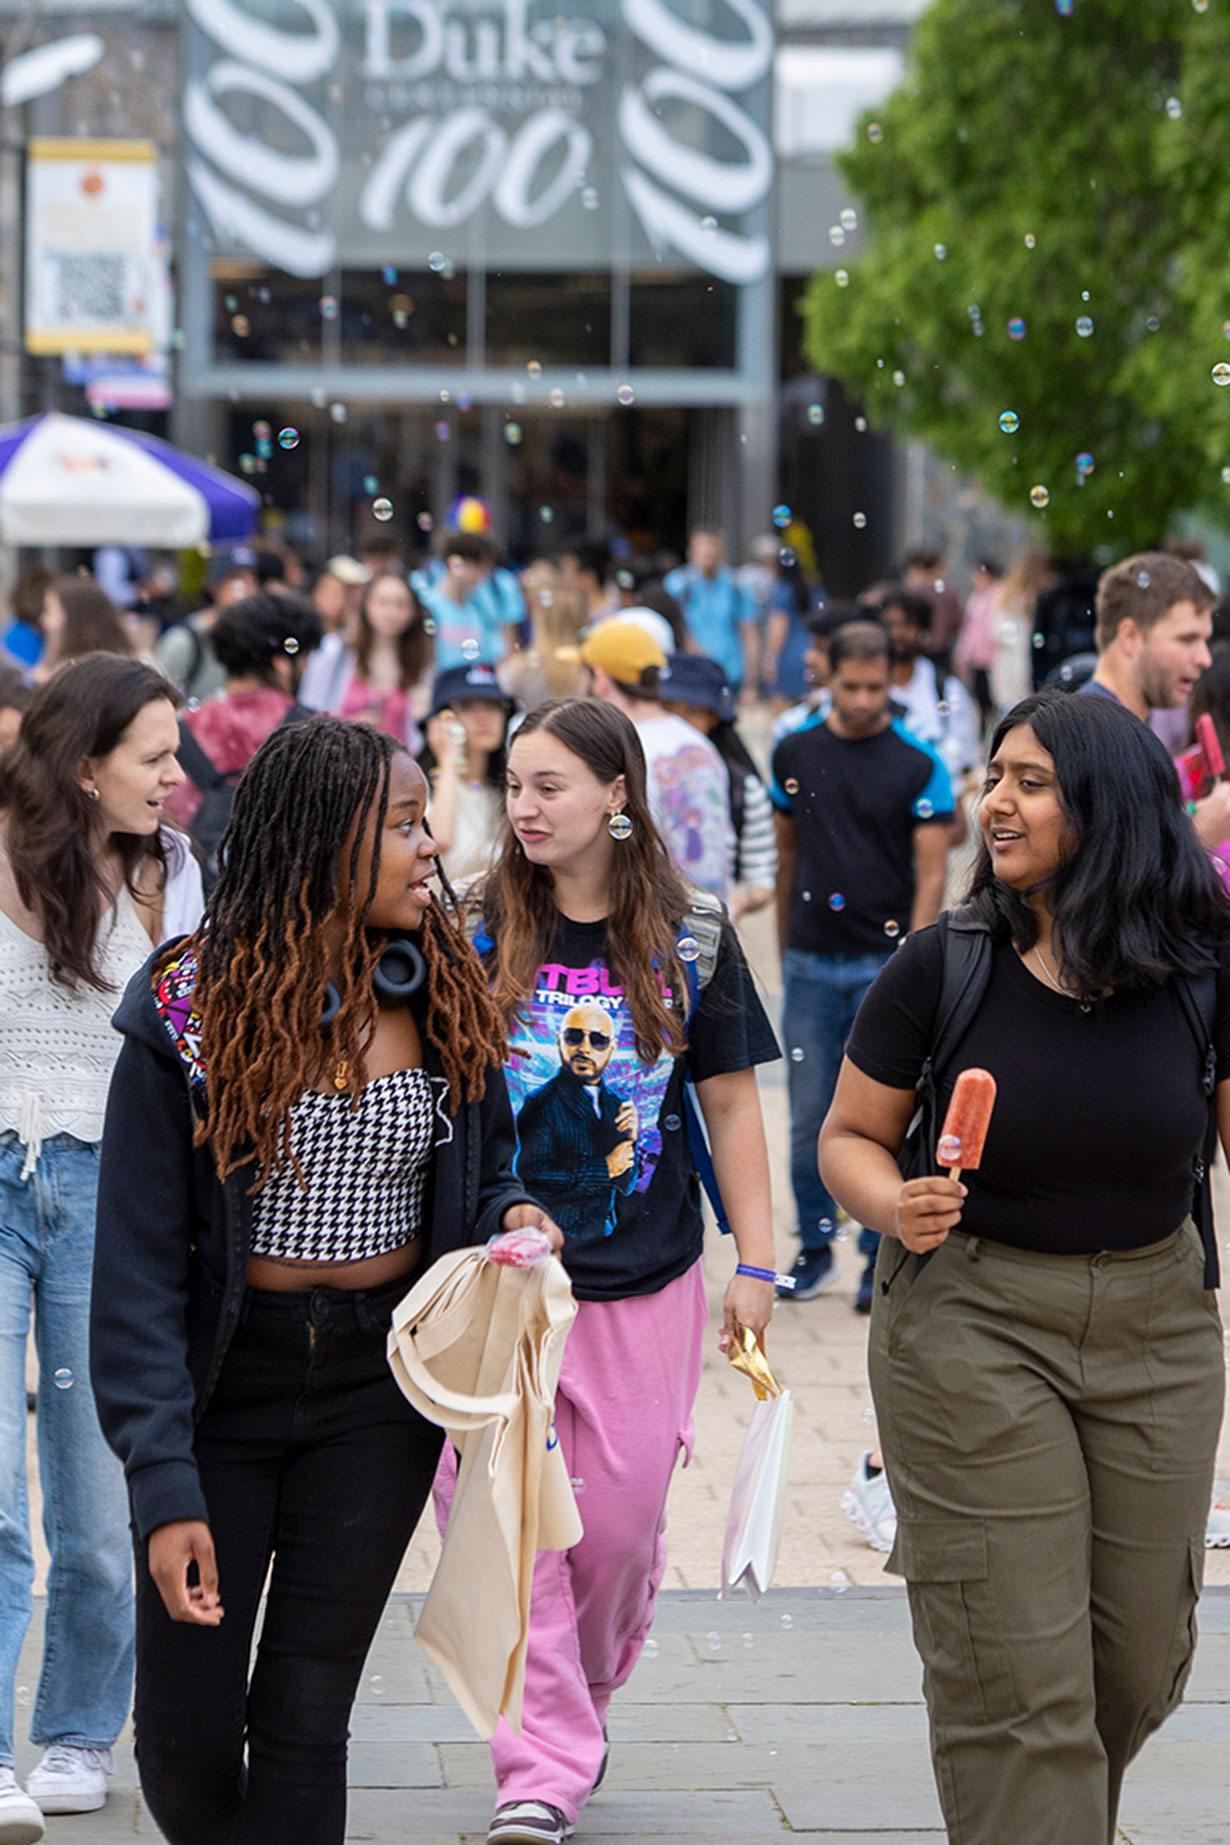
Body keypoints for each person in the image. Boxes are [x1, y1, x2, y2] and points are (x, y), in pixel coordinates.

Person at [90, 715, 558, 1845]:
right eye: (402, 826)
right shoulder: (187, 1009)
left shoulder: (441, 982)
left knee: (307, 1714)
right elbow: (138, 1267)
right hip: (221, 1396)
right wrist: (161, 1482)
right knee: (186, 1743)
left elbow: (483, 1169)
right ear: (321, 840)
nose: (431, 846)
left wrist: (513, 1216)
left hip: (375, 1393)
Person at [818, 689, 1230, 1845]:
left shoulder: (1202, 970)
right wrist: (894, 1202)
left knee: (1138, 1662)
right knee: (1020, 1686)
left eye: (1030, 782)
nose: (995, 803)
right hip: (971, 1324)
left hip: (1159, 1323)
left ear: (1108, 805)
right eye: (994, 776)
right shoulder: (940, 967)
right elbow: (846, 1139)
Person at [464, 696, 779, 1845]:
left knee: (621, 1533)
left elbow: (733, 1101)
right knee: (517, 1533)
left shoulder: (689, 934)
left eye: (550, 784)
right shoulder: (474, 922)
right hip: (503, 1287)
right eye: (513, 784)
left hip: (646, 1282)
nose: (525, 806)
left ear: (617, 794)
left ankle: (571, 1714)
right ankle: (537, 1766)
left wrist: (761, 1261)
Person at [0, 655, 202, 1840]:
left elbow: (196, 1038)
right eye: (153, 757)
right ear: (85, 767)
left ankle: (78, 1727)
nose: (176, 778)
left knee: (96, 1484)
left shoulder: (174, 875)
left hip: (110, 1193)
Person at [771, 621, 953, 1309]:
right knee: (808, 1114)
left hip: (887, 963)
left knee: (890, 1116)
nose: (865, 699)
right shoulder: (794, 749)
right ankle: (815, 1248)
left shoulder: (918, 760)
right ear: (830, 678)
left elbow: (931, 874)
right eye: (851, 686)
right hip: (813, 959)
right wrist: (789, 943)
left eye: (877, 687)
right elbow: (787, 854)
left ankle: (878, 1251)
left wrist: (918, 961)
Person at [574, 620, 734, 902]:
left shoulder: (617, 749)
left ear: (599, 678)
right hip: (707, 916)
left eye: (582, 671)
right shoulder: (697, 742)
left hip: (650, 921)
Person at [1083, 550, 1230, 852]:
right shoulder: (1091, 737)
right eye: (1187, 639)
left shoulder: (1131, 731)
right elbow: (1101, 882)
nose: (1204, 659)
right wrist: (1199, 834)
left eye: (1205, 640)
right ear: (1130, 636)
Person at [164, 590, 322, 835]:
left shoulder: (177, 731)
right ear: (281, 664)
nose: (308, 666)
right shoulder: (319, 731)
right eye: (305, 658)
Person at [658, 652, 777, 919]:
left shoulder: (741, 789)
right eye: (667, 709)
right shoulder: (637, 774)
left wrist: (729, 907)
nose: (677, 724)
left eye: (691, 712)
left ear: (714, 718)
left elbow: (762, 880)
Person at [875, 584, 979, 836]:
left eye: (907, 625)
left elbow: (962, 759)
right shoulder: (867, 686)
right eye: (890, 625)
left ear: (923, 631)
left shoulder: (945, 689)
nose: (898, 633)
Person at [298, 569, 432, 750]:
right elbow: (307, 711)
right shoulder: (336, 651)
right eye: (383, 602)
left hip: (396, 766)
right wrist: (348, 725)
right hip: (340, 760)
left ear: (413, 611)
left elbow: (417, 727)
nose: (391, 612)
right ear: (366, 605)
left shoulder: (420, 661)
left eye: (400, 604)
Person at [420, 662, 517, 884]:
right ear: (440, 721)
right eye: (468, 706)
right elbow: (437, 840)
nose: (483, 717)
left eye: (493, 706)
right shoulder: (421, 788)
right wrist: (448, 758)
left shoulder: (505, 791)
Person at [156, 550, 261, 705]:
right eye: (236, 580)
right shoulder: (184, 641)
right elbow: (157, 698)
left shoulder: (254, 639)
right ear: (214, 586)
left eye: (252, 580)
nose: (246, 589)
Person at [663, 529, 758, 694]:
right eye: (703, 553)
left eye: (712, 553)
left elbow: (749, 633)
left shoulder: (736, 585)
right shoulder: (677, 584)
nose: (708, 559)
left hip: (730, 674)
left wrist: (751, 684)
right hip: (690, 673)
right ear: (691, 553)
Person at [411, 534, 519, 669]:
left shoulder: (480, 608)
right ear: (455, 565)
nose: (482, 576)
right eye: (478, 568)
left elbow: (498, 654)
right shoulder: (428, 607)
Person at [34, 575, 134, 682]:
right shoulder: (127, 668)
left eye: (50, 611)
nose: (44, 621)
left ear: (76, 620)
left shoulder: (72, 678)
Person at [954, 556, 1003, 733]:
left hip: (994, 658)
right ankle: (984, 731)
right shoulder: (976, 598)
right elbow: (969, 630)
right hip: (978, 658)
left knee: (994, 698)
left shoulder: (1000, 595)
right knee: (980, 697)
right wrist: (963, 654)